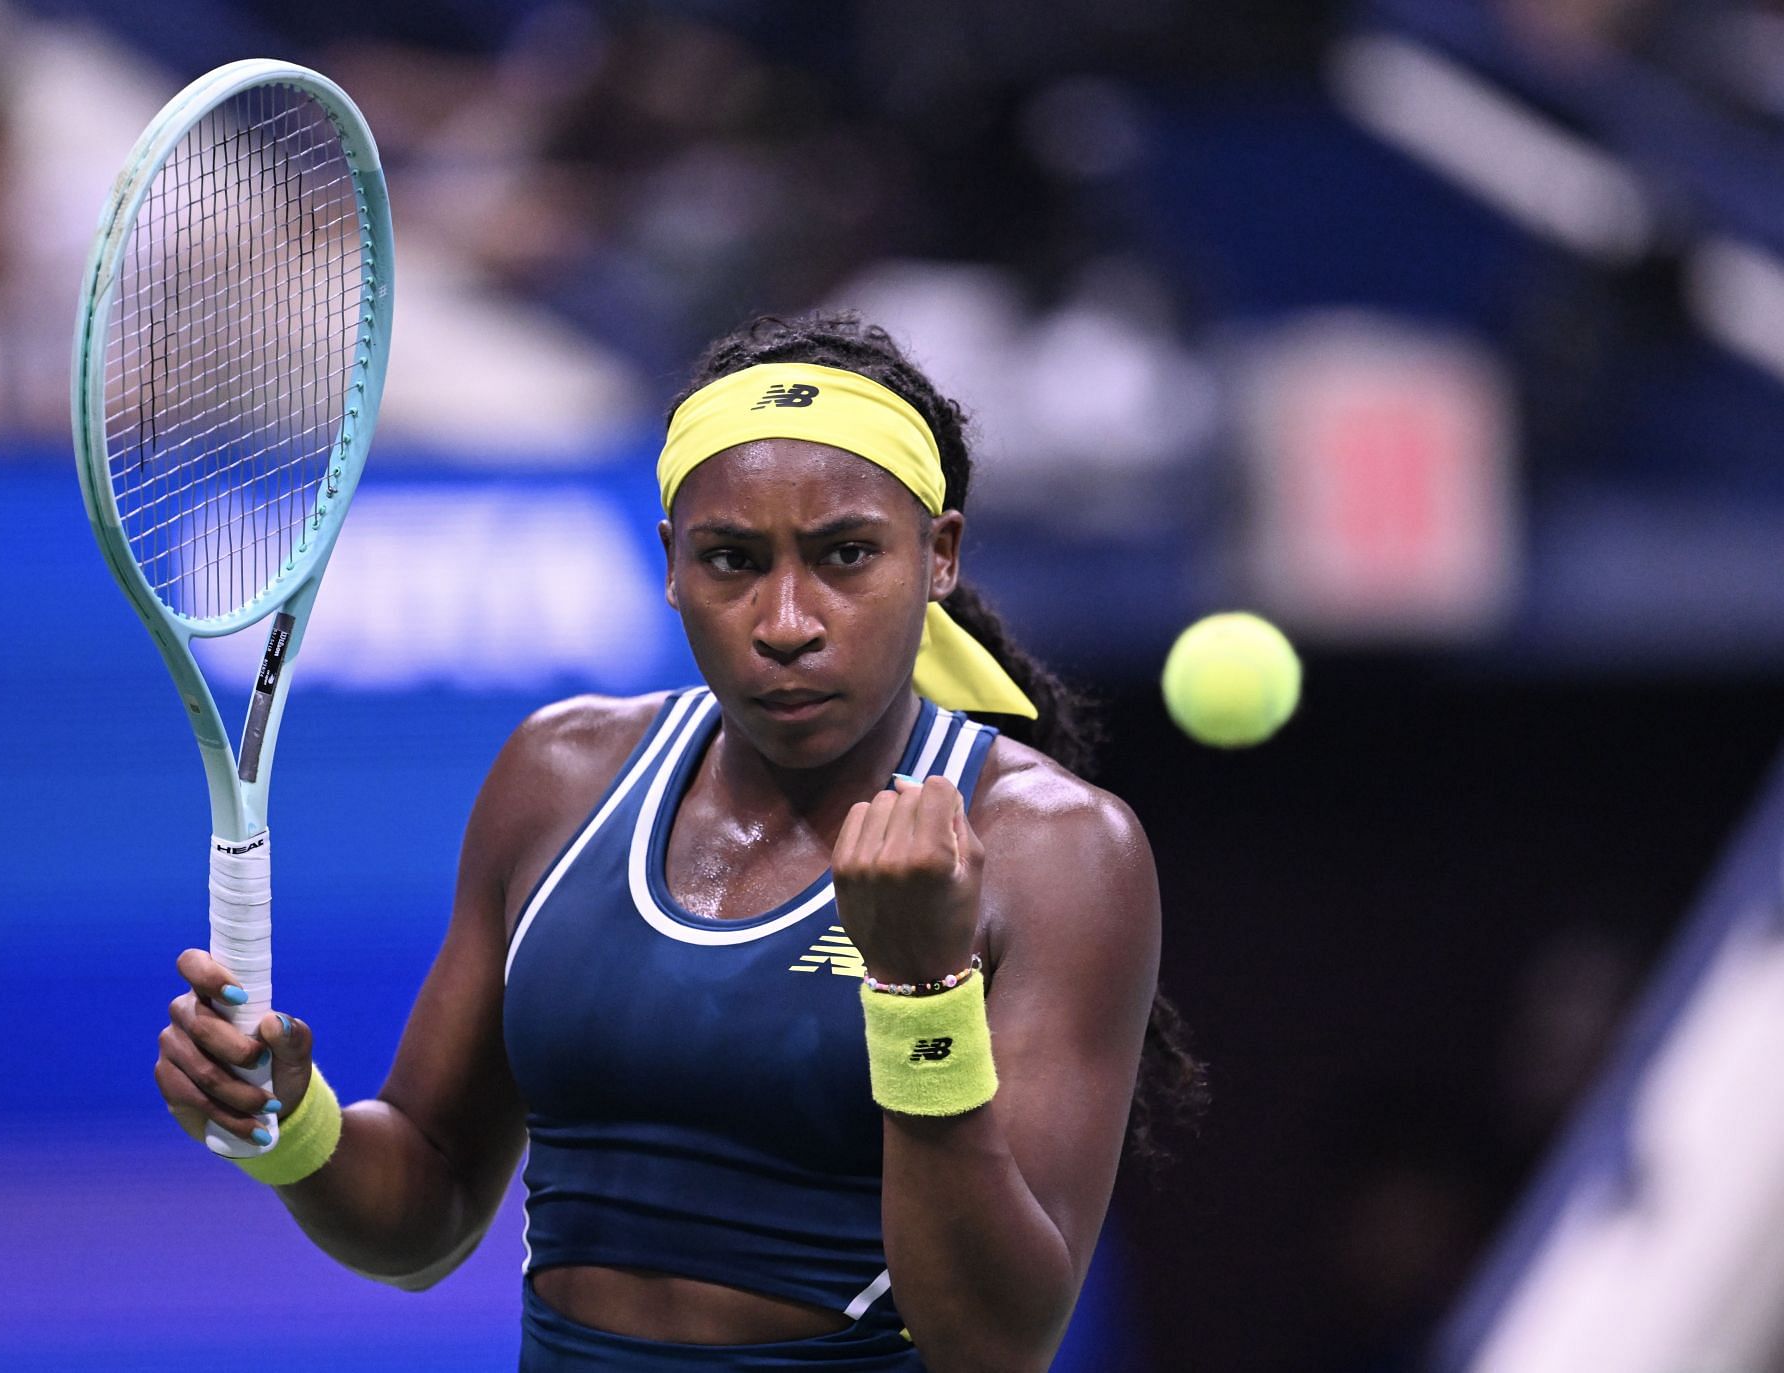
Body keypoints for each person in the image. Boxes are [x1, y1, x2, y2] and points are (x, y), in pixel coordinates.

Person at [156, 313, 1201, 1370]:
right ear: (670, 562)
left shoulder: (1058, 850)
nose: (786, 617)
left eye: (846, 554)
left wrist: (922, 993)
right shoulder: (556, 775)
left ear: (939, 555)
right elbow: (424, 1202)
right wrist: (289, 1122)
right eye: (732, 560)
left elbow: (993, 1343)